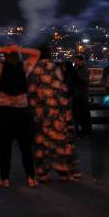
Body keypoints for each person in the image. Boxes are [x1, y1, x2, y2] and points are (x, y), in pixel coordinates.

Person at [0, 44, 40, 188]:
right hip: (22, 112)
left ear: (5, 57)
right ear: (19, 57)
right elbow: (36, 53)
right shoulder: (24, 68)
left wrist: (3, 48)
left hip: (4, 113)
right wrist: (18, 49)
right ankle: (31, 178)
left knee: (5, 148)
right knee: (26, 148)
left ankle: (5, 179)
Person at [30, 46, 80, 182]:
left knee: (42, 143)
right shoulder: (58, 68)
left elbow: (32, 91)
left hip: (42, 113)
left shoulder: (35, 69)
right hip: (59, 111)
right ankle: (63, 172)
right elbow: (65, 89)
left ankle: (43, 173)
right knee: (60, 141)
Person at [65, 54, 92, 137]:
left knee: (84, 113)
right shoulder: (78, 68)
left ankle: (86, 130)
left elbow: (81, 81)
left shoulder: (84, 69)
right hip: (77, 94)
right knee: (78, 113)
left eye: (76, 61)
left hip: (82, 94)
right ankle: (84, 129)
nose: (75, 62)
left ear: (82, 61)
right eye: (75, 61)